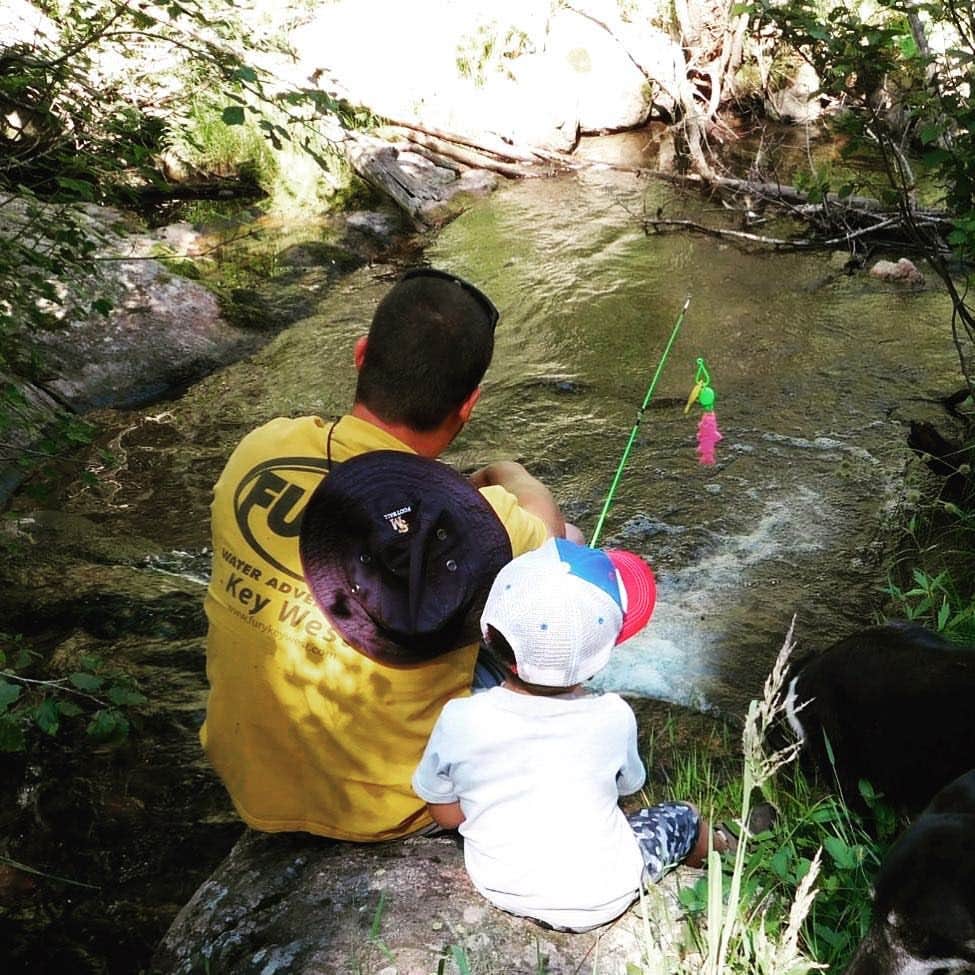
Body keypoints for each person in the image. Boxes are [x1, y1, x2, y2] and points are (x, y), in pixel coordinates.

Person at [201, 268, 580, 842]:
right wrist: (502, 475)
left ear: (360, 355)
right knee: (567, 551)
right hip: (389, 812)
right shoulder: (485, 521)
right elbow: (550, 537)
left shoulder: (263, 446)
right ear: (469, 405)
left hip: (250, 783)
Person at [412, 538, 731, 932]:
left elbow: (443, 814)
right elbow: (627, 786)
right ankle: (722, 852)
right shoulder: (615, 714)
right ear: (598, 662)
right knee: (682, 816)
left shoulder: (459, 718)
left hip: (499, 885)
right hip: (606, 892)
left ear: (490, 637)